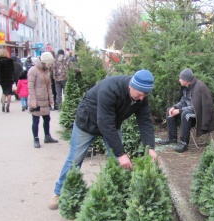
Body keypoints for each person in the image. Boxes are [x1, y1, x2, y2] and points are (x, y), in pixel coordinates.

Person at [48, 69, 158, 210]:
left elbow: (145, 122)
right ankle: (59, 192)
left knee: (116, 161)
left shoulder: (141, 96)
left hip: (112, 124)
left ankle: (119, 194)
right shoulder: (110, 89)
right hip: (87, 122)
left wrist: (150, 148)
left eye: (145, 94)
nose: (142, 98)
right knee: (75, 158)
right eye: (140, 94)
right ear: (131, 86)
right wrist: (121, 154)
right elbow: (104, 124)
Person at [159, 68, 214, 153]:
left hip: (201, 115)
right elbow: (183, 101)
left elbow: (196, 107)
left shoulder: (198, 88)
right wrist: (175, 107)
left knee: (185, 114)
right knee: (169, 110)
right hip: (189, 111)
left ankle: (184, 143)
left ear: (186, 80)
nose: (179, 80)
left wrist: (179, 111)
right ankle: (172, 138)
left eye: (180, 78)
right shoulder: (186, 87)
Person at [28, 52, 58, 148]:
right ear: (44, 62)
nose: (50, 65)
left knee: (47, 118)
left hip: (45, 100)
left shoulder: (46, 71)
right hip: (37, 100)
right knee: (36, 120)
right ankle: (36, 139)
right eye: (49, 63)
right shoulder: (33, 71)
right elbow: (30, 87)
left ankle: (47, 136)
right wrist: (33, 100)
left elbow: (49, 85)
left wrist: (51, 98)